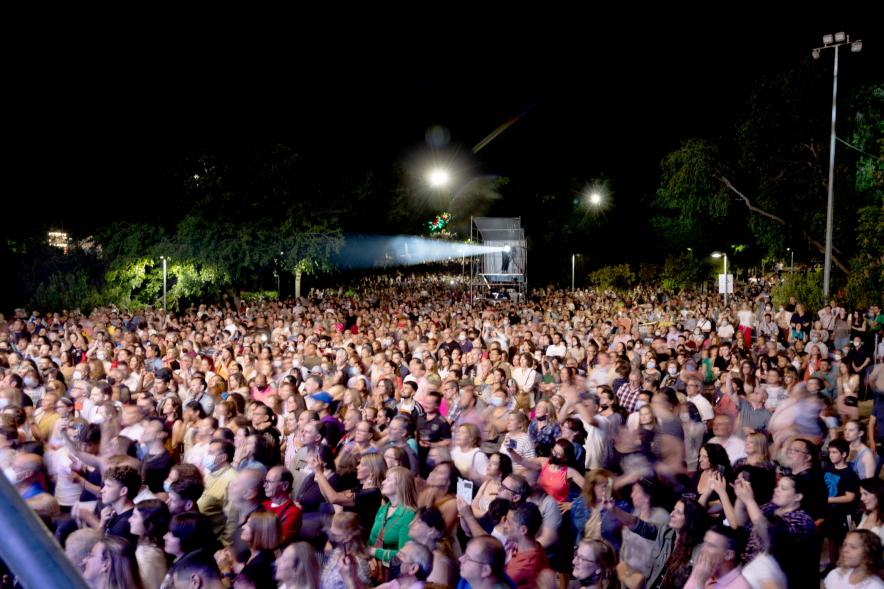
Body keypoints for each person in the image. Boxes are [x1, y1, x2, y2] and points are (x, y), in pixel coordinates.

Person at [607, 497, 708, 589]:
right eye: (673, 509)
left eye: (678, 512)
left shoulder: (698, 551)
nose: (671, 514)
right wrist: (613, 509)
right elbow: (634, 523)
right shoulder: (665, 533)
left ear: (689, 520)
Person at [369, 466, 418, 569]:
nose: (383, 482)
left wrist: (374, 552)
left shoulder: (409, 515)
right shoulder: (383, 509)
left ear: (401, 485)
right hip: (374, 566)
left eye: (388, 479)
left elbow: (404, 555)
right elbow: (371, 541)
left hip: (394, 570)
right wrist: (369, 557)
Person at [684, 525, 751, 589]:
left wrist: (700, 583)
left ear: (728, 555)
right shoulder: (701, 570)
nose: (702, 549)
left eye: (710, 545)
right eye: (704, 543)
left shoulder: (741, 586)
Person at [129, 499, 171, 589]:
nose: (129, 520)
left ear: (149, 522)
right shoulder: (146, 545)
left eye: (135, 516)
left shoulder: (149, 557)